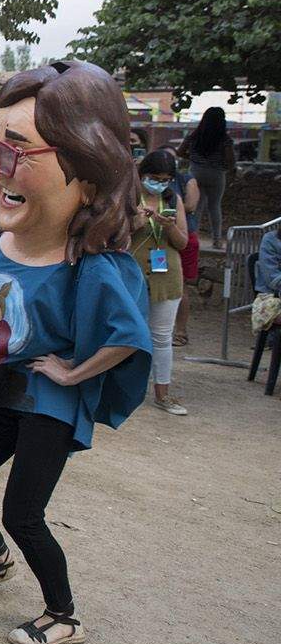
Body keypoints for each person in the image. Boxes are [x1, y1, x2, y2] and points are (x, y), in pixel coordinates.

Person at [0, 60, 151, 644]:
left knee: (24, 512)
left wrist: (73, 371)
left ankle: (64, 615)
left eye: (19, 147)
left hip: (50, 403)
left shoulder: (93, 263)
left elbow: (130, 336)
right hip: (5, 392)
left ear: (85, 166)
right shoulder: (6, 241)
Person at [131, 149, 190, 415]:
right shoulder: (130, 196)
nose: (159, 183)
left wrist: (168, 226)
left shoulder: (172, 198)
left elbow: (183, 243)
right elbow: (115, 233)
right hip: (133, 274)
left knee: (162, 336)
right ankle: (127, 390)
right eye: (154, 177)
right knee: (129, 332)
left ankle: (162, 394)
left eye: (166, 178)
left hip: (167, 275)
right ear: (142, 174)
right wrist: (136, 221)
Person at [177, 106, 236, 243]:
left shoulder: (194, 136)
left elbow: (179, 152)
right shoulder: (224, 139)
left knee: (196, 207)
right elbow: (230, 160)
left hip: (196, 173)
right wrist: (225, 167)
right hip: (216, 174)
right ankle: (217, 239)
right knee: (214, 206)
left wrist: (193, 158)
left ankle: (192, 236)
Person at [171, 156, 202, 346]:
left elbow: (191, 205)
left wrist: (169, 204)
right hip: (156, 240)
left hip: (183, 236)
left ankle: (181, 332)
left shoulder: (187, 180)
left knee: (181, 286)